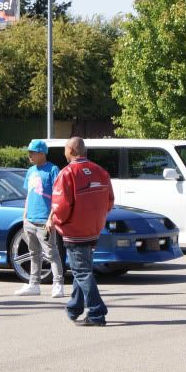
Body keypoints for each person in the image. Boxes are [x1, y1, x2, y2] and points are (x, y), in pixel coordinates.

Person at [50, 137, 115, 326]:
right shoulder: (100, 171)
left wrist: (59, 222)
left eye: (65, 149)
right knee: (82, 269)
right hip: (94, 228)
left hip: (75, 229)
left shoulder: (67, 173)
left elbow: (60, 205)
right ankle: (74, 307)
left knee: (81, 271)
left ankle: (96, 312)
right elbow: (110, 200)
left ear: (70, 150)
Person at [15, 139, 65, 298]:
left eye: (32, 152)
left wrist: (51, 218)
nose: (29, 155)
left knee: (52, 253)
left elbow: (58, 196)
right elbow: (29, 194)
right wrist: (24, 216)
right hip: (30, 219)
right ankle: (34, 284)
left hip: (45, 220)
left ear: (42, 153)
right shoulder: (30, 171)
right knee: (33, 253)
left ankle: (58, 284)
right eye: (29, 152)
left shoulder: (53, 170)